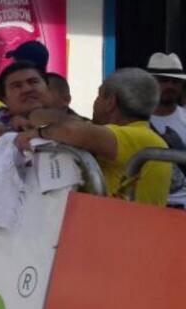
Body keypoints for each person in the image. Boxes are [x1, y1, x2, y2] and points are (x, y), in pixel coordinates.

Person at [17, 68, 172, 206]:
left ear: (110, 102)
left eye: (99, 96)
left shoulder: (141, 138)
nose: (95, 102)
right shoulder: (129, 133)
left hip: (126, 233)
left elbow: (72, 131)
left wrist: (39, 133)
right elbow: (68, 120)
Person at [147, 53, 186, 209]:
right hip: (147, 207)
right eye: (163, 80)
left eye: (175, 81)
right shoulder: (133, 119)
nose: (170, 85)